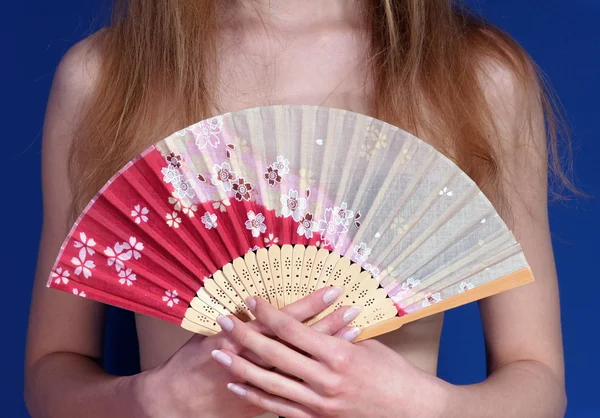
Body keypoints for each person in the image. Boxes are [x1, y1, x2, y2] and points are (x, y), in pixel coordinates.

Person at [25, 1, 571, 417]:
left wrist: (423, 407)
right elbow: (51, 372)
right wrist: (147, 399)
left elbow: (538, 379)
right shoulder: (107, 78)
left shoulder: (478, 77)